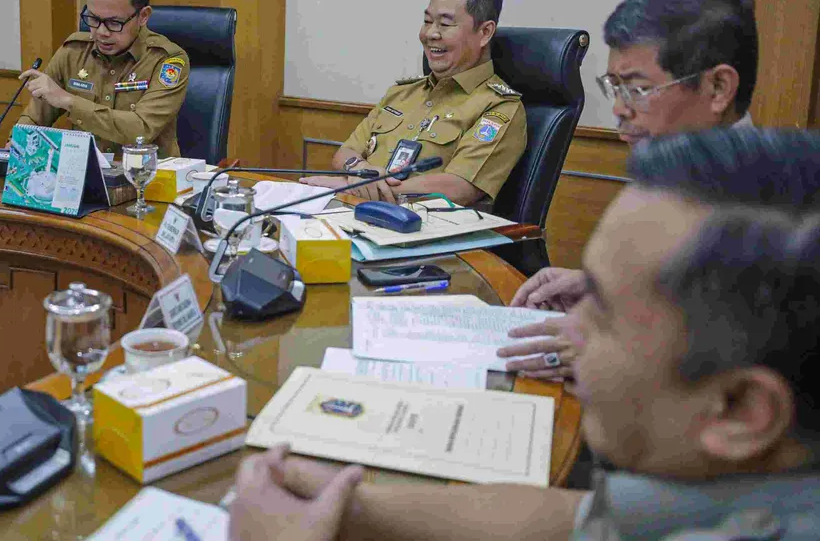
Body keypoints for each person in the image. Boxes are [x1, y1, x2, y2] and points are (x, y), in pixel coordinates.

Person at [228, 128, 820, 541]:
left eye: (602, 310)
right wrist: (344, 500)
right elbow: (577, 519)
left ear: (741, 409)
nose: (567, 325)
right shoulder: (745, 475)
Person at [499, 0, 760, 379]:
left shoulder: (770, 212)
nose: (619, 110)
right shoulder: (671, 172)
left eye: (637, 90)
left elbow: (747, 361)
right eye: (614, 87)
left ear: (718, 87)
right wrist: (601, 289)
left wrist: (609, 351)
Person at [302, 0, 526, 208]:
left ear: (485, 33)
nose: (430, 34)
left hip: (424, 231)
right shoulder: (402, 93)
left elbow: (459, 188)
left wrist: (359, 189)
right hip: (354, 212)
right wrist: (360, 171)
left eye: (446, 24)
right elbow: (346, 152)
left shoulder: (499, 107)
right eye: (428, 21)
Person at [14, 0, 190, 156]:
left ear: (143, 16)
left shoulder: (167, 60)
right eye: (94, 19)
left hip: (147, 179)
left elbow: (141, 131)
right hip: (84, 178)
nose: (101, 32)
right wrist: (15, 151)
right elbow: (33, 121)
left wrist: (69, 101)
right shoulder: (73, 52)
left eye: (114, 22)